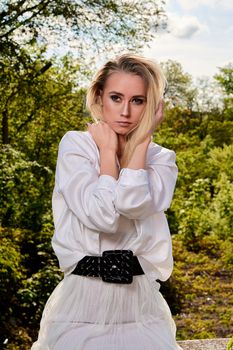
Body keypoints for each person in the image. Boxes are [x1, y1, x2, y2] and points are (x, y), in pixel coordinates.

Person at [31, 54, 182, 350]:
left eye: (138, 100)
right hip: (83, 302)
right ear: (99, 97)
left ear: (152, 106)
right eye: (116, 97)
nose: (125, 111)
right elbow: (102, 216)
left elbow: (132, 204)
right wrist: (106, 152)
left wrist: (139, 145)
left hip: (140, 304)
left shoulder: (162, 159)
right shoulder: (75, 146)